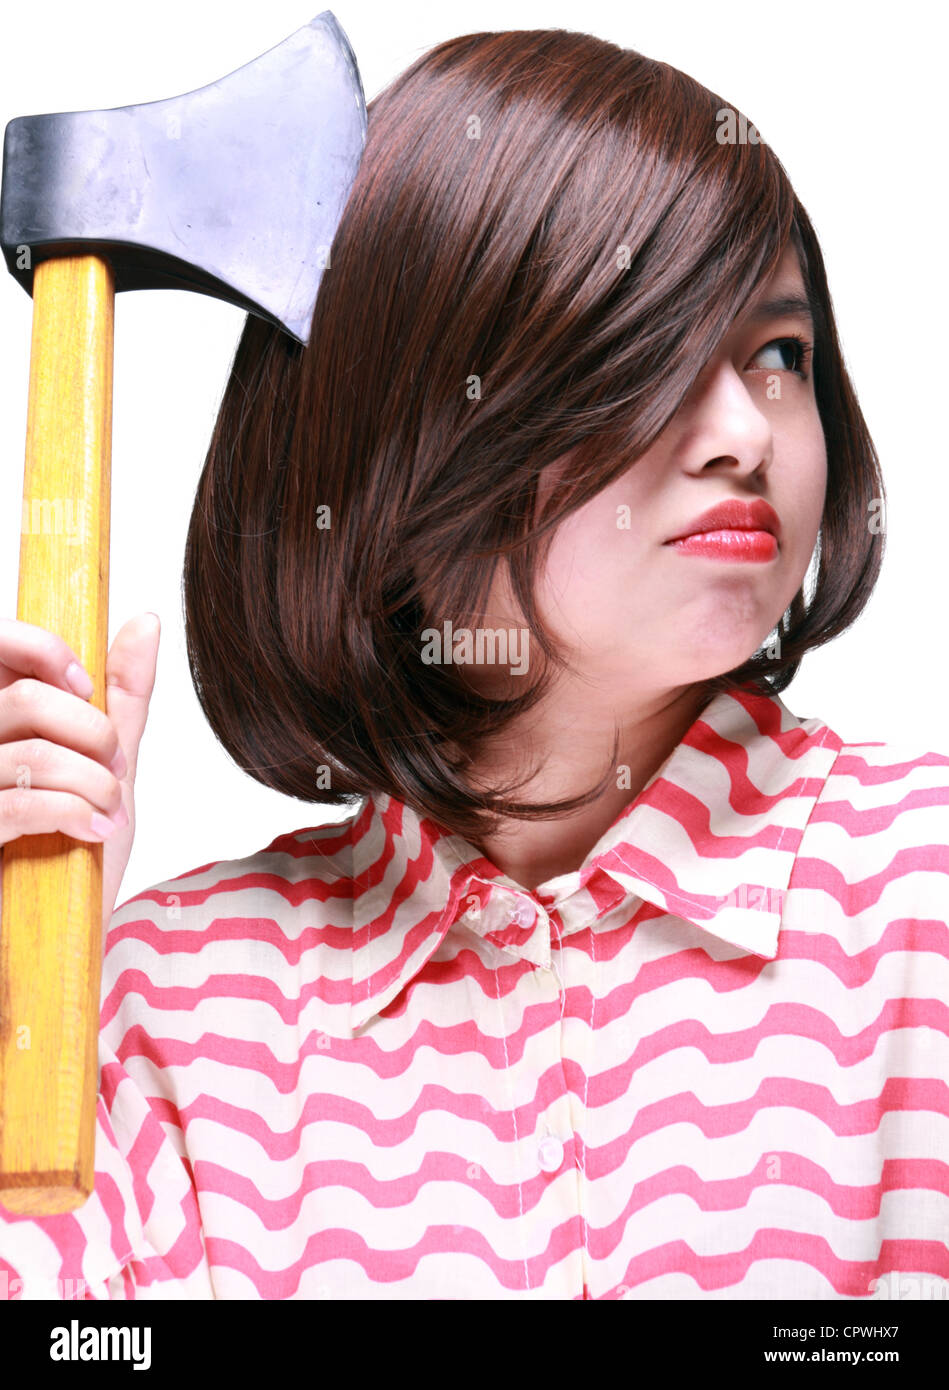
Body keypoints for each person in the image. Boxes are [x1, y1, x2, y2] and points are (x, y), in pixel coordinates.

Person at [0, 27, 946, 1301]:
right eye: (646, 352)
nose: (742, 432)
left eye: (777, 353)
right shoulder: (169, 996)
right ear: (401, 430)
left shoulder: (918, 891)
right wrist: (23, 992)